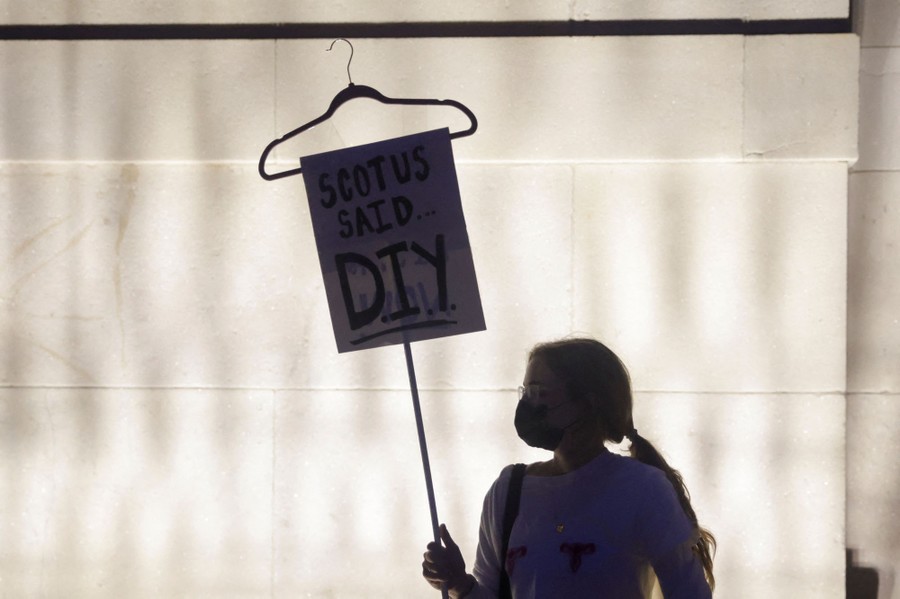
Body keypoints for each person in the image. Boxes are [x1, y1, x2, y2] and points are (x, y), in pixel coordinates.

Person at [422, 337, 715, 598]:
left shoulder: (642, 489)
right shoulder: (508, 490)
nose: (527, 402)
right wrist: (460, 584)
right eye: (525, 391)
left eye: (539, 391)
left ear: (586, 404)